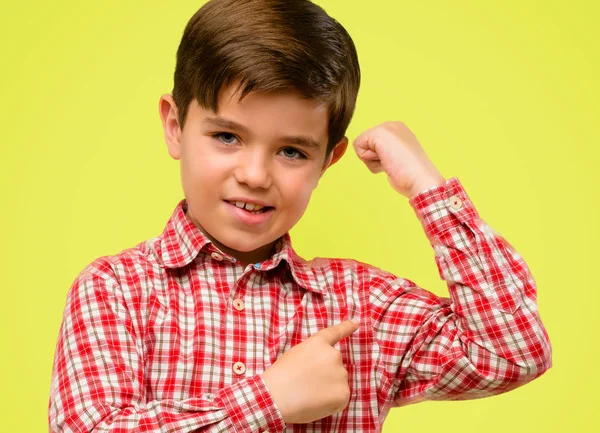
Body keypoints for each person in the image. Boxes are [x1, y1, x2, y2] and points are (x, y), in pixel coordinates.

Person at [47, 0, 552, 432]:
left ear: (327, 160)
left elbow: (513, 353)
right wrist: (268, 400)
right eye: (227, 137)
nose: (255, 174)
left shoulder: (364, 309)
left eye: (291, 151)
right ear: (175, 125)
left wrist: (427, 187)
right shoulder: (114, 290)